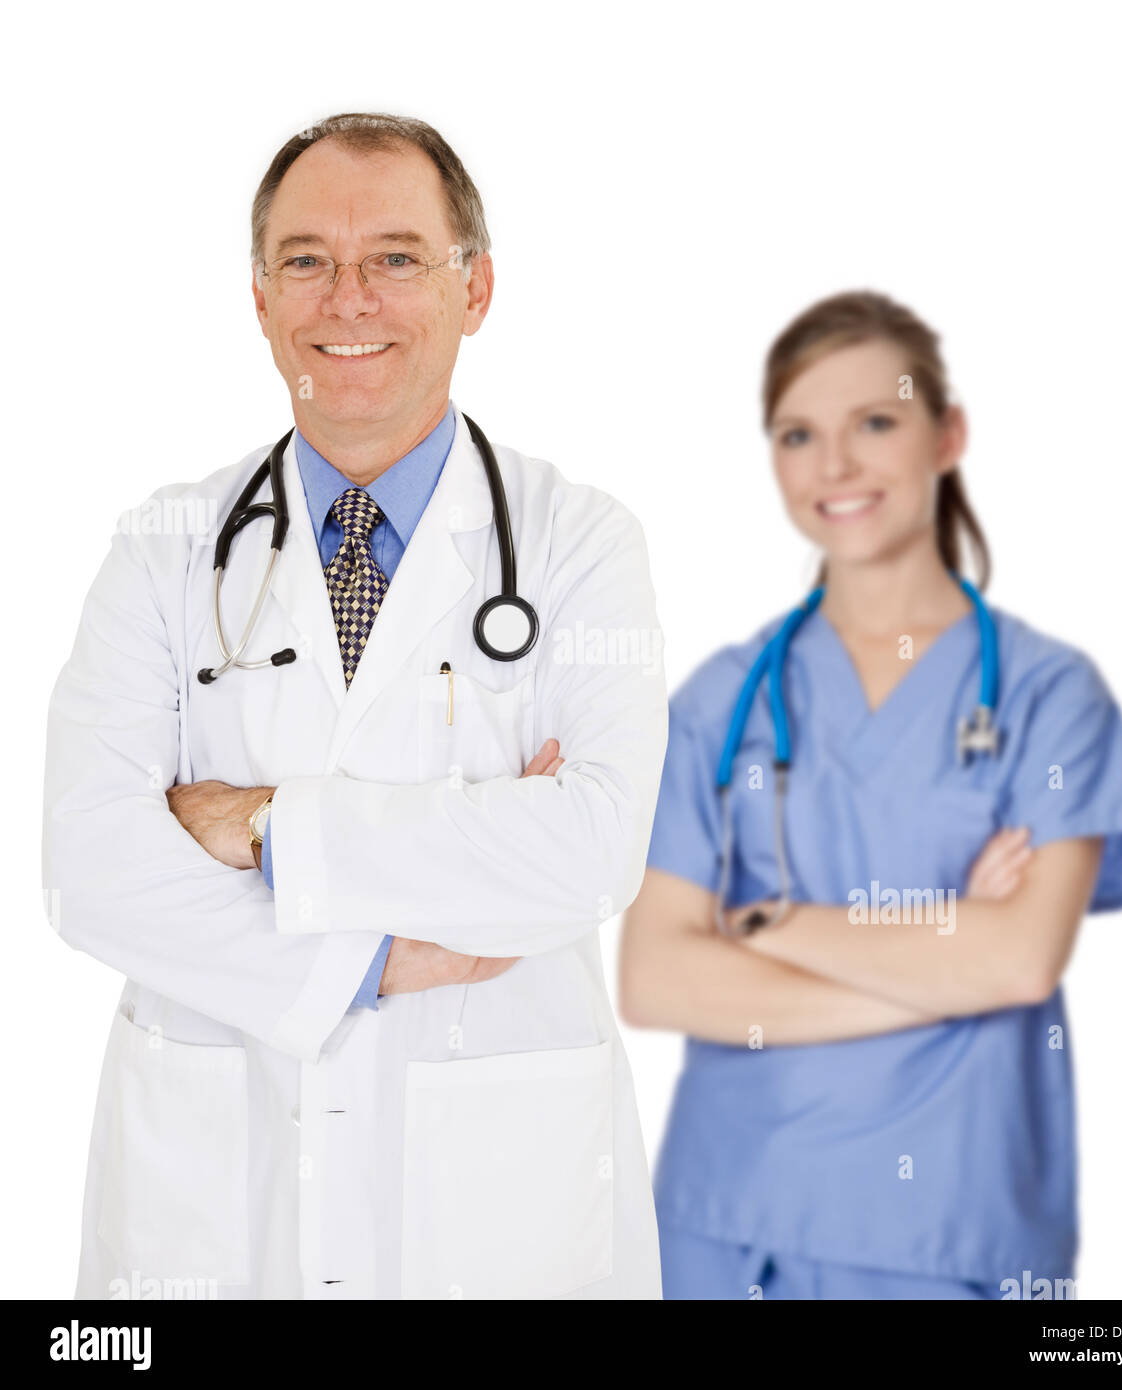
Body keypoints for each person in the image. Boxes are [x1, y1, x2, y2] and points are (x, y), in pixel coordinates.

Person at [43, 112, 667, 1300]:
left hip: (500, 1204)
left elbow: (587, 855)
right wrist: (380, 956)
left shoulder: (579, 543)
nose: (347, 301)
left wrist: (260, 821)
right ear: (261, 298)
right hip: (212, 1202)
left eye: (394, 257)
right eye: (305, 261)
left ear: (473, 288)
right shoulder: (163, 548)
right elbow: (89, 866)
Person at [620, 289, 1122, 1301]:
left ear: (946, 433)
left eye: (873, 421)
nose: (833, 465)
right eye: (798, 433)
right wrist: (937, 964)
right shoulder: (723, 698)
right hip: (730, 1227)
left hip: (959, 1233)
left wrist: (764, 923)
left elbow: (1014, 962)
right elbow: (655, 979)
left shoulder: (1047, 694)